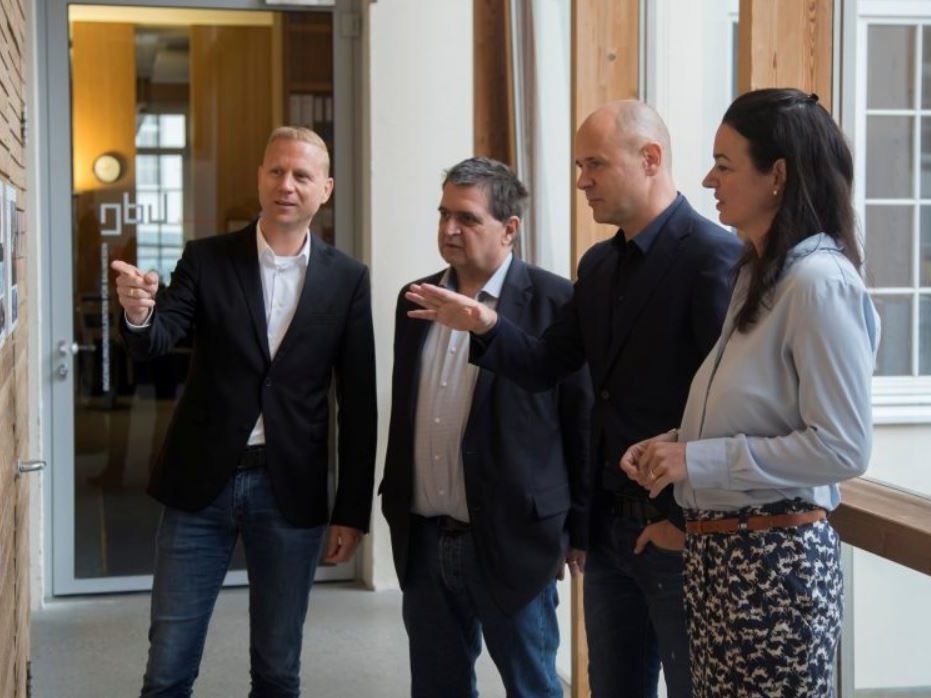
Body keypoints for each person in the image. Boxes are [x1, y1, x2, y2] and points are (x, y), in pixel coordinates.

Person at [405, 101, 742, 697]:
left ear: (650, 158)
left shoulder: (713, 256)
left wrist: (680, 524)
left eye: (595, 164)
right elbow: (544, 366)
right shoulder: (601, 263)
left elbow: (730, 404)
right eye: (580, 166)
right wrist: (485, 324)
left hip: (680, 535)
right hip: (613, 535)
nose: (582, 180)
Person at [621, 88, 879, 695]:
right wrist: (675, 445)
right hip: (724, 560)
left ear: (777, 176)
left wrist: (697, 459)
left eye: (725, 164)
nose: (708, 180)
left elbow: (843, 448)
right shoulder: (759, 273)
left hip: (774, 566)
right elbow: (760, 410)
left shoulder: (819, 282)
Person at [114, 126, 377, 697]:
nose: (287, 185)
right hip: (200, 484)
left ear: (325, 189)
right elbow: (157, 338)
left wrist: (352, 511)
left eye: (302, 175)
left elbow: (358, 403)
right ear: (260, 178)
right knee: (168, 667)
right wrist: (138, 313)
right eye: (276, 171)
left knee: (278, 670)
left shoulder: (348, 279)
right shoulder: (206, 259)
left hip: (290, 489)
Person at [380, 157, 592, 698]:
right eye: (444, 214)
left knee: (531, 686)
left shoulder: (556, 301)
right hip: (424, 538)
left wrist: (580, 530)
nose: (450, 229)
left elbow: (581, 422)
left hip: (513, 539)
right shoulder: (415, 298)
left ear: (509, 228)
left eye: (468, 218)